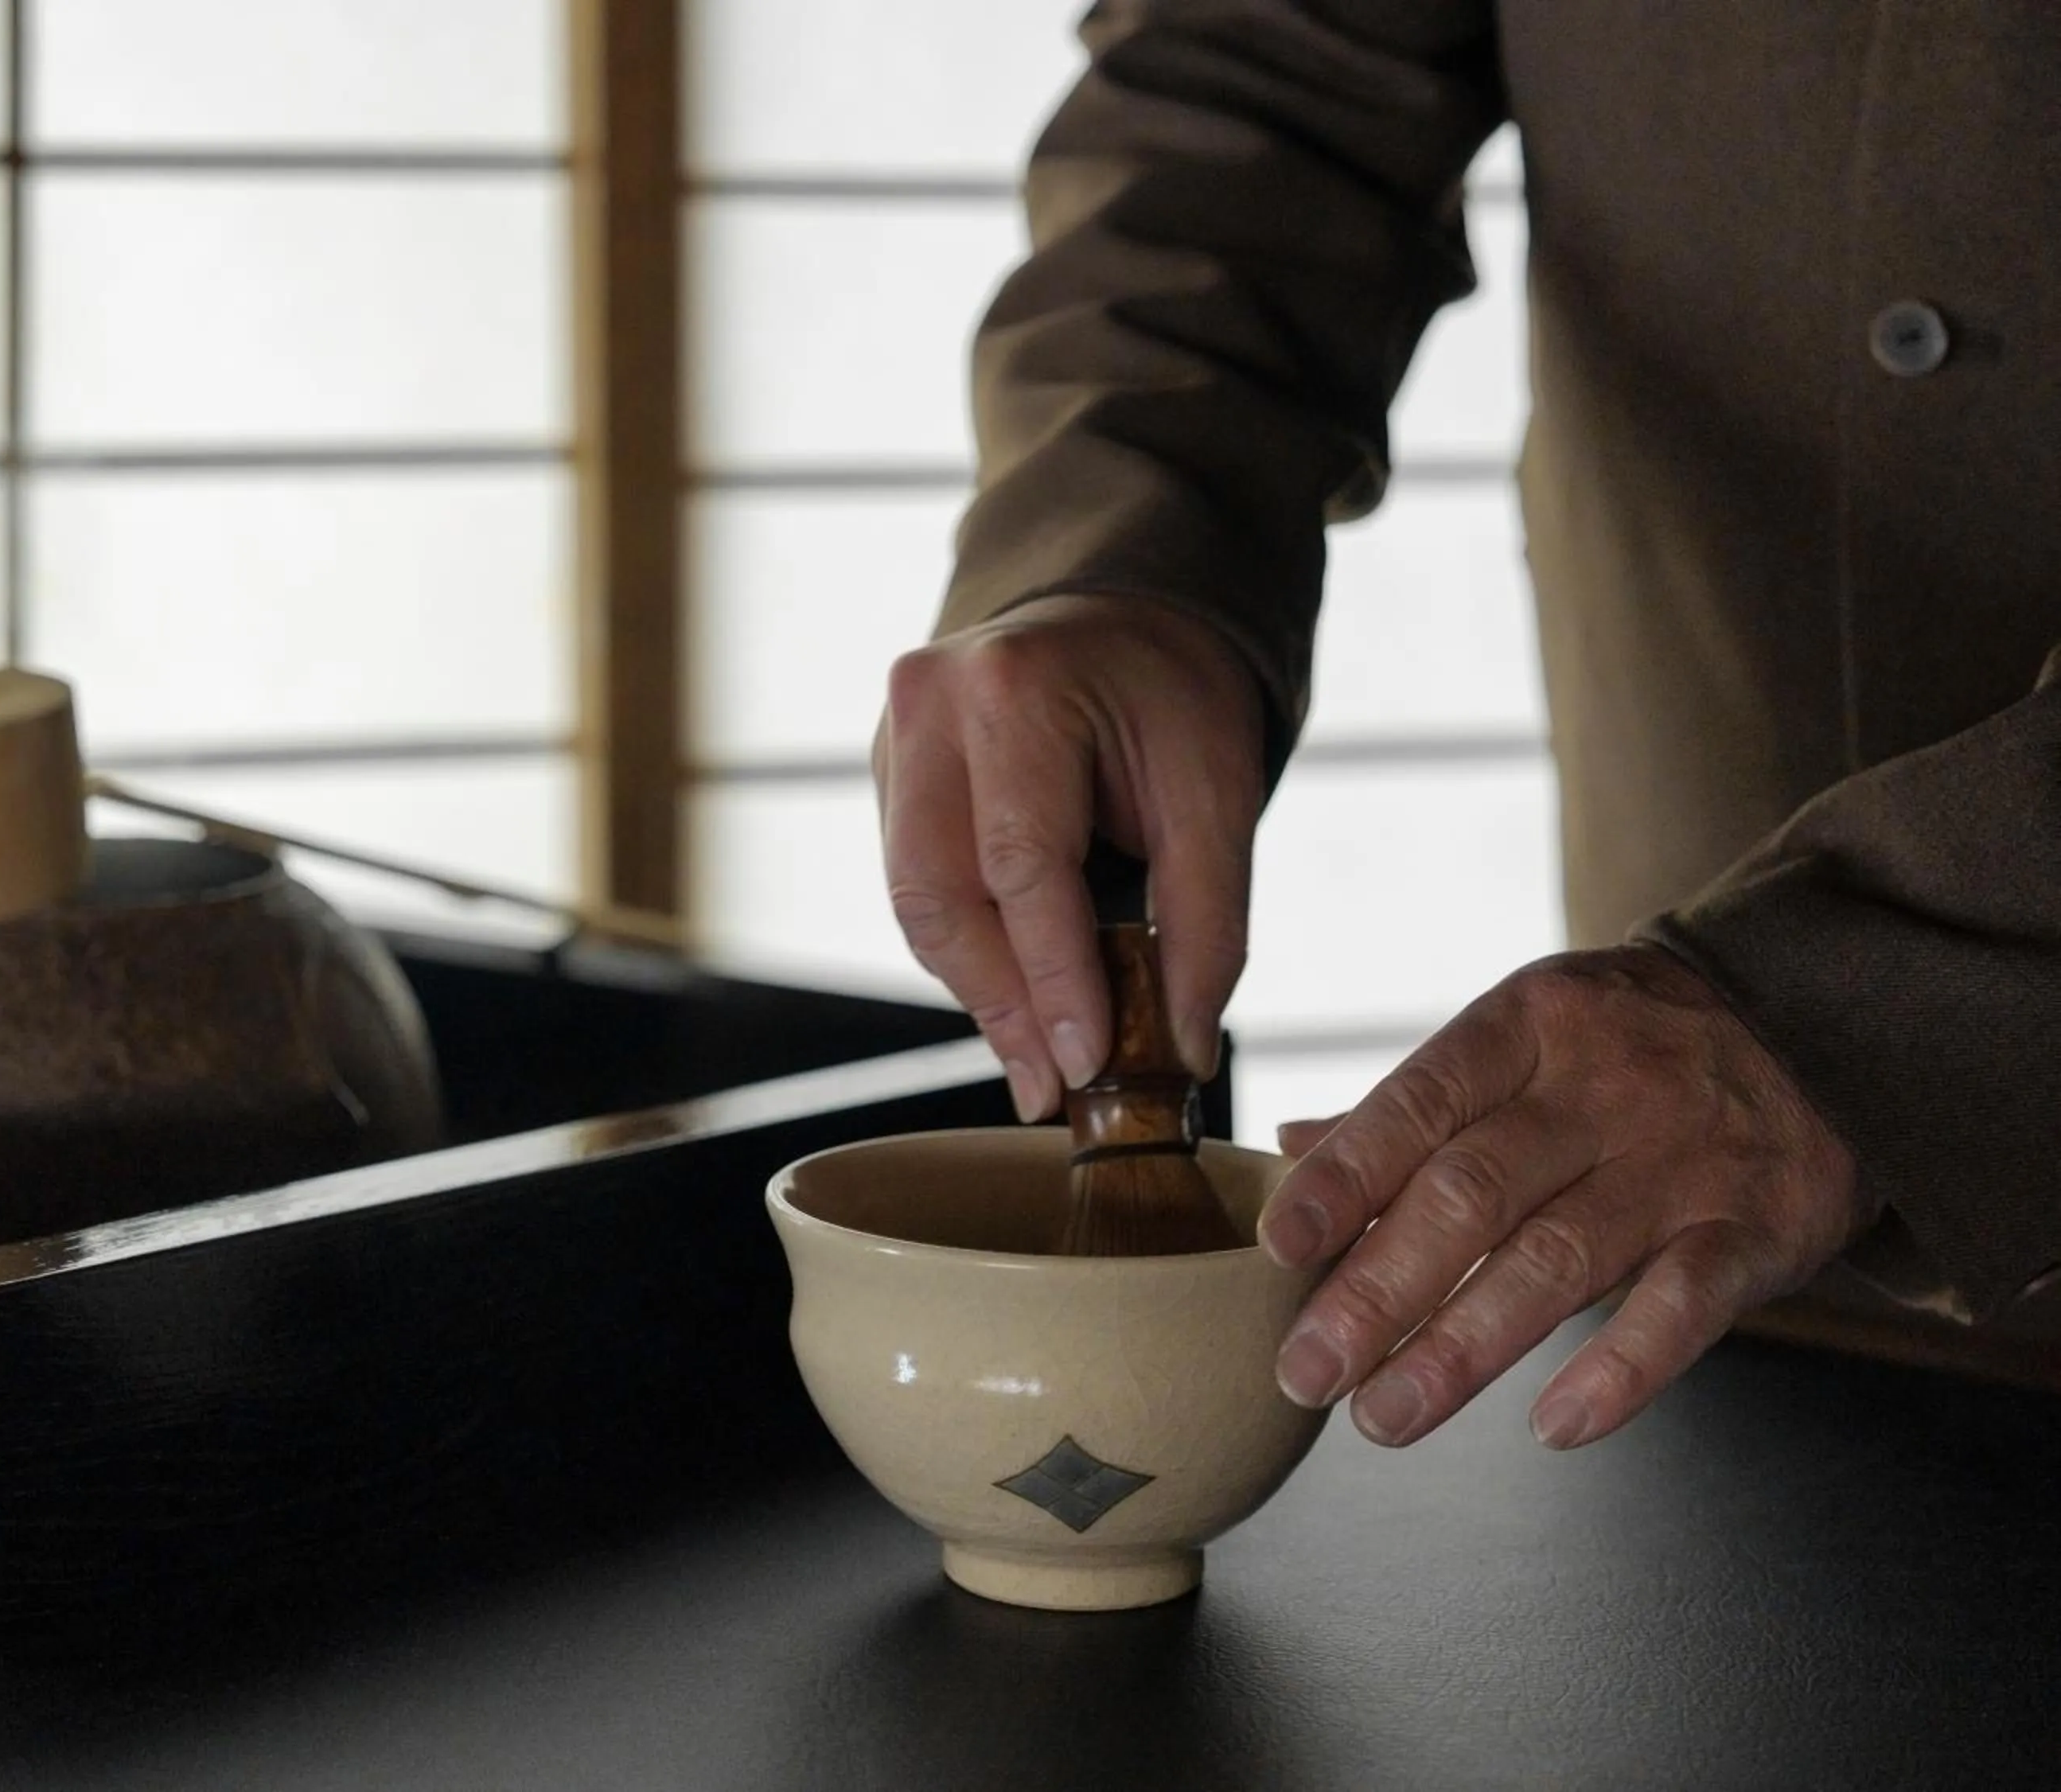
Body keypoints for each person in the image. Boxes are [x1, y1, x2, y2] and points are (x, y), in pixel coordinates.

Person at [873, 2, 2061, 1452]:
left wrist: (1889, 1001)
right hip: (1700, 1244)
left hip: (1749, 1079)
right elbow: (1273, 62)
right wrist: (1117, 546)